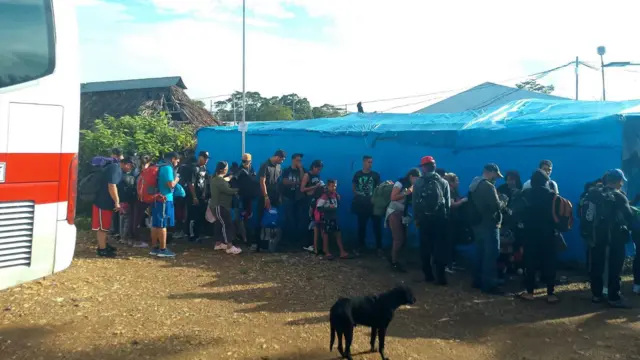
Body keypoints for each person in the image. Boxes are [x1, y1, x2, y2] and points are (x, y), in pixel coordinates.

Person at [589, 169, 634, 308]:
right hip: (614, 238)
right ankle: (614, 297)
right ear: (619, 181)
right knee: (615, 268)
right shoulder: (619, 196)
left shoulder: (593, 193)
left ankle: (597, 295)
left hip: (595, 236)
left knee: (597, 265)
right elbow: (629, 216)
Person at [519, 169, 560, 304]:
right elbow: (558, 216)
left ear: (532, 181)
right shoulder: (552, 196)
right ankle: (550, 293)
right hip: (548, 233)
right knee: (549, 262)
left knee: (530, 262)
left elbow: (518, 214)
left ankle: (530, 292)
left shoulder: (525, 194)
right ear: (546, 181)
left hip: (530, 233)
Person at [468, 163, 508, 294]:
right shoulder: (488, 186)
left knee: (479, 253)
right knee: (491, 254)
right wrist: (503, 201)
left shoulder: (474, 184)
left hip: (477, 223)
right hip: (489, 224)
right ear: (490, 172)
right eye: (496, 175)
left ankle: (477, 281)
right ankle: (489, 284)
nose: (496, 178)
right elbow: (495, 206)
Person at [413, 156, 451, 285]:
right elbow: (448, 205)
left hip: (425, 219)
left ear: (424, 167)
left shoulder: (418, 182)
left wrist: (417, 218)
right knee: (439, 249)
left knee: (425, 248)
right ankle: (441, 277)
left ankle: (428, 275)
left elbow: (415, 203)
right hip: (440, 220)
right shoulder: (443, 182)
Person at [92, 156, 135, 257]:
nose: (130, 169)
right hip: (102, 203)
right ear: (127, 164)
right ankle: (102, 250)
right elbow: (112, 185)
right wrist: (117, 201)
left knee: (105, 227)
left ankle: (103, 245)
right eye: (131, 167)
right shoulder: (115, 169)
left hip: (104, 202)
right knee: (102, 228)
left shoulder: (113, 167)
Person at [386, 168, 421, 272]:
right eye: (416, 178)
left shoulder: (412, 185)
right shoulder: (400, 183)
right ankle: (394, 262)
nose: (417, 181)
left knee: (404, 238)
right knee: (398, 239)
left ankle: (400, 259)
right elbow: (393, 197)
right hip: (394, 212)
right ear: (411, 177)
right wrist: (407, 193)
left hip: (403, 213)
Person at [149, 152, 180, 258]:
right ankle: (163, 249)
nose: (178, 162)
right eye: (177, 159)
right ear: (173, 159)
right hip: (164, 199)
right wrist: (177, 179)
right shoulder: (167, 168)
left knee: (155, 224)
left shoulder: (158, 165)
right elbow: (170, 184)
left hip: (155, 198)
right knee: (162, 224)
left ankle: (154, 247)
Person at [253, 150, 286, 252]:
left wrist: (279, 196)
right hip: (264, 196)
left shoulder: (278, 167)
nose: (282, 162)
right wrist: (266, 197)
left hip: (274, 197)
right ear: (277, 157)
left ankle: (271, 243)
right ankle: (258, 244)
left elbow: (278, 182)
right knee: (260, 219)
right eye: (281, 159)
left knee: (272, 219)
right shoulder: (265, 165)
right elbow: (262, 182)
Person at [351, 155, 382, 256]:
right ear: (364, 162)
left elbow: (379, 189)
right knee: (361, 227)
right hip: (362, 206)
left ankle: (379, 248)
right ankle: (360, 247)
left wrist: (374, 199)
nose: (370, 164)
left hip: (373, 205)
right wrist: (359, 196)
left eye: (371, 162)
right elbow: (354, 188)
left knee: (377, 227)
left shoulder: (375, 175)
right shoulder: (358, 174)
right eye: (369, 162)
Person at [209, 161, 242, 255]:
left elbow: (225, 179)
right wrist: (239, 190)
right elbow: (228, 190)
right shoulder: (219, 181)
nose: (227, 169)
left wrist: (231, 176)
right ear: (222, 169)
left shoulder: (216, 178)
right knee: (227, 225)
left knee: (219, 224)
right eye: (226, 168)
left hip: (218, 206)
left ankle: (218, 244)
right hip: (220, 206)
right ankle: (229, 246)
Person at [315, 180, 351, 260]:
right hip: (327, 218)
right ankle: (326, 252)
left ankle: (342, 252)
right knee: (326, 234)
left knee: (338, 233)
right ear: (328, 187)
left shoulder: (335, 195)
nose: (334, 188)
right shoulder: (324, 196)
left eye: (335, 186)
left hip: (334, 218)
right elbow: (319, 208)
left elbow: (336, 206)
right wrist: (328, 208)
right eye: (332, 186)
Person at [444, 172, 468, 272]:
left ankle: (452, 263)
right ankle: (447, 265)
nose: (458, 182)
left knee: (453, 242)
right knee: (449, 242)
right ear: (451, 182)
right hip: (449, 220)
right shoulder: (449, 190)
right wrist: (462, 201)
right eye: (456, 180)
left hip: (454, 220)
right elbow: (452, 204)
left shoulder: (455, 190)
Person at [233, 153, 258, 244]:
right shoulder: (239, 170)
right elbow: (234, 180)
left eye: (246, 161)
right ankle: (244, 238)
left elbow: (255, 181)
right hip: (240, 197)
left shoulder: (251, 170)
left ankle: (245, 236)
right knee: (239, 218)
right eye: (243, 161)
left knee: (247, 218)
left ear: (250, 161)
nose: (244, 163)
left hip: (249, 198)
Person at [281, 153, 306, 244]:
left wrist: (300, 169)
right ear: (293, 160)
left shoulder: (302, 170)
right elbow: (284, 181)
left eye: (300, 160)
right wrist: (297, 183)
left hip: (299, 198)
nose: (299, 162)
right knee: (289, 218)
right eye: (297, 160)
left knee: (299, 218)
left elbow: (304, 180)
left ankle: (297, 240)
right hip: (288, 197)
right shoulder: (287, 170)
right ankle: (288, 239)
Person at [301, 160, 324, 254]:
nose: (319, 171)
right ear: (313, 167)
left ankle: (314, 244)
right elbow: (302, 189)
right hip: (308, 200)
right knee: (309, 222)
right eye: (318, 169)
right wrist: (315, 187)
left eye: (320, 169)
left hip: (316, 201)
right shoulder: (307, 175)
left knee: (315, 222)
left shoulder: (317, 176)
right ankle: (308, 243)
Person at [186, 151, 210, 242]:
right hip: (193, 196)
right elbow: (190, 184)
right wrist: (194, 197)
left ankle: (198, 234)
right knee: (192, 216)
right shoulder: (193, 168)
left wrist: (204, 192)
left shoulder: (204, 168)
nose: (206, 160)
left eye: (207, 158)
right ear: (200, 157)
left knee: (200, 215)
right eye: (205, 158)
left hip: (201, 195)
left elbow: (205, 181)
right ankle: (191, 235)